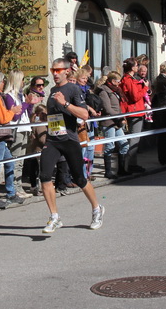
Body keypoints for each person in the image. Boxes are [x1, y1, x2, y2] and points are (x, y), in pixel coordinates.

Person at [39, 58, 105, 234]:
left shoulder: (73, 89)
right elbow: (55, 116)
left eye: (58, 70)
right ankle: (54, 217)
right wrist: (45, 116)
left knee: (80, 179)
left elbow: (84, 114)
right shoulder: (53, 90)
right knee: (44, 176)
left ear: (67, 71)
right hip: (53, 140)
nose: (55, 73)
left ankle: (97, 209)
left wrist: (65, 103)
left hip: (69, 140)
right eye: (53, 70)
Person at [0, 72, 23, 207]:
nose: (4, 84)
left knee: (9, 163)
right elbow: (2, 118)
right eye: (3, 81)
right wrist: (12, 111)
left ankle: (10, 192)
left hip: (1, 135)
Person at [4, 70, 40, 198]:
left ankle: (18, 186)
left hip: (24, 128)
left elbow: (26, 113)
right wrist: (26, 103)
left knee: (21, 161)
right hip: (17, 130)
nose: (23, 82)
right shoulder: (9, 96)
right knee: (15, 160)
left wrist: (30, 104)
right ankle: (14, 187)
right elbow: (15, 115)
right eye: (22, 79)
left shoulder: (20, 95)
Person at [97, 71, 129, 178]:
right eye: (118, 81)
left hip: (117, 122)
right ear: (113, 81)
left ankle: (121, 169)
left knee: (124, 144)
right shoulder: (104, 91)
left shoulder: (115, 90)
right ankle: (108, 171)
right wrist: (119, 117)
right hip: (109, 122)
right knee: (110, 146)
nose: (119, 83)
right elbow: (107, 108)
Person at [120, 57, 148, 174]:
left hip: (136, 110)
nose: (137, 67)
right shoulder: (128, 79)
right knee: (134, 138)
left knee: (135, 137)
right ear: (132, 67)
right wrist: (145, 87)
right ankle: (130, 164)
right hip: (134, 111)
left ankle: (132, 163)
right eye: (136, 65)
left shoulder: (131, 79)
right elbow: (135, 96)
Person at [26, 103, 47, 195]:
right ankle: (39, 188)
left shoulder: (35, 123)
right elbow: (42, 139)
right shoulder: (40, 124)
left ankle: (34, 186)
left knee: (34, 169)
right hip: (39, 150)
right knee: (39, 170)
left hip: (34, 150)